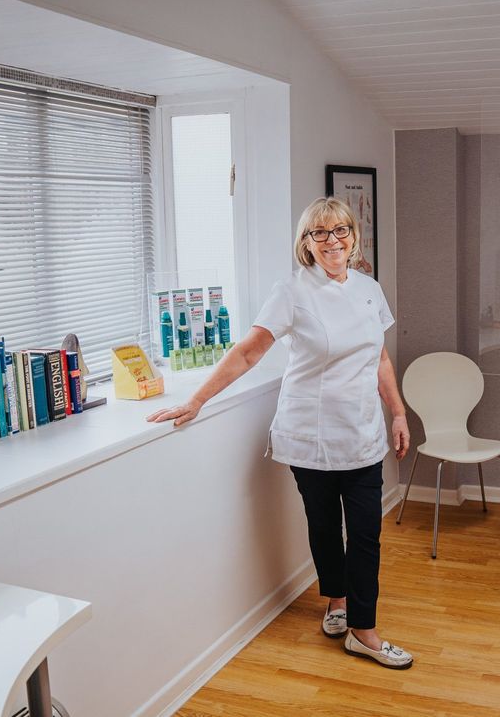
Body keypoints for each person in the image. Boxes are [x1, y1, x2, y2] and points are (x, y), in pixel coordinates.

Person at [146, 196, 413, 670]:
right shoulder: (292, 291)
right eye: (320, 233)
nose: (333, 241)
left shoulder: (370, 288)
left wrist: (397, 412)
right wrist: (196, 399)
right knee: (325, 526)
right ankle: (336, 603)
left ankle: (363, 631)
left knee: (367, 533)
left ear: (354, 236)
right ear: (305, 243)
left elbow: (381, 357)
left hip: (363, 431)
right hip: (309, 432)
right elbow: (249, 352)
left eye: (341, 231)